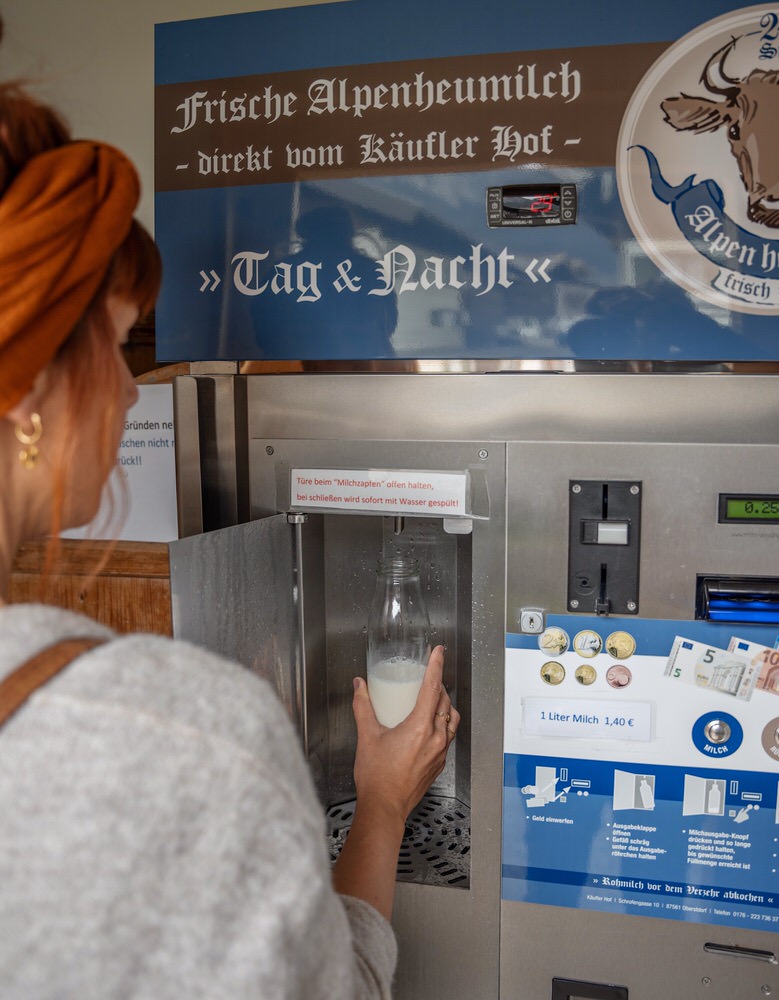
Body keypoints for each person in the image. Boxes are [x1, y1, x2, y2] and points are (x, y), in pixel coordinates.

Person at [0, 55, 460, 1000]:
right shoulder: (172, 730)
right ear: (34, 385)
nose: (134, 389)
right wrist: (381, 807)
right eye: (118, 340)